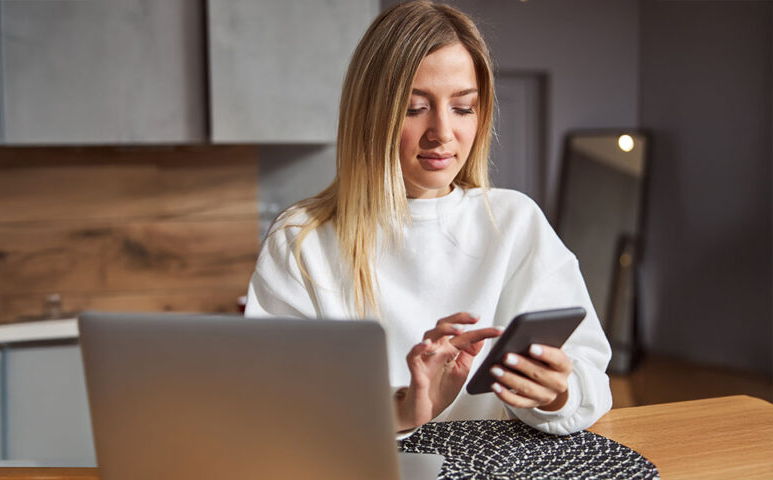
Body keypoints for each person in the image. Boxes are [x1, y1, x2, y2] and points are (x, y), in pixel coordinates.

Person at [245, 0, 612, 436]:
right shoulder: (301, 240)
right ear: (370, 116)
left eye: (462, 108)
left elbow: (592, 380)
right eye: (414, 108)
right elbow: (272, 408)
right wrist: (399, 410)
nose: (442, 133)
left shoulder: (515, 221)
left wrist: (555, 393)